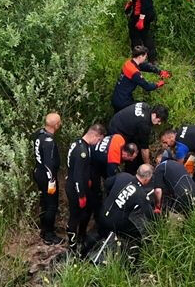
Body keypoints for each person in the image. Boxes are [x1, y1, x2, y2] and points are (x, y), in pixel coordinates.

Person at [92, 163, 157, 263]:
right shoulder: (140, 194)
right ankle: (131, 259)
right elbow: (149, 214)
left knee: (101, 231)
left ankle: (85, 248)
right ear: (147, 178)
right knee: (137, 233)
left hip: (102, 213)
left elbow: (107, 183)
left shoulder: (123, 176)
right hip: (114, 224)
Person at [65, 120, 103, 252]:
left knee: (86, 211)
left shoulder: (79, 143)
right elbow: (78, 175)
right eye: (99, 140)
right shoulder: (83, 152)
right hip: (75, 187)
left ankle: (81, 236)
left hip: (79, 184)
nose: (97, 143)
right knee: (75, 216)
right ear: (95, 135)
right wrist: (81, 195)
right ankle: (72, 245)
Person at [31, 111, 62, 245]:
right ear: (56, 125)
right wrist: (52, 181)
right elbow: (49, 164)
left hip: (38, 171)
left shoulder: (39, 134)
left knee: (44, 202)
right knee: (51, 205)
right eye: (59, 122)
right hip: (46, 176)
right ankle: (49, 234)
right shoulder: (49, 142)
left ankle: (44, 229)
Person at [111, 45, 167, 112]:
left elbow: (144, 66)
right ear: (140, 57)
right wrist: (158, 84)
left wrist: (159, 72)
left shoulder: (128, 63)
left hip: (117, 98)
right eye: (145, 56)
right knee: (143, 109)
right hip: (123, 102)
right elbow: (147, 87)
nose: (145, 58)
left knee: (118, 117)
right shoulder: (135, 73)